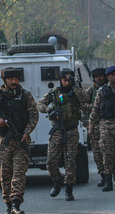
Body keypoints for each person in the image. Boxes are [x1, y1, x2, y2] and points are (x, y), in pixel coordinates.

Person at [0, 67, 39, 214]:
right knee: (5, 174)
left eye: (16, 78)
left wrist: (27, 132)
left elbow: (34, 115)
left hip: (21, 139)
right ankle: (8, 206)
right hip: (4, 141)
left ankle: (16, 204)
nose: (14, 82)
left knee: (19, 173)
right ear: (4, 80)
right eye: (10, 79)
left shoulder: (25, 95)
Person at [38, 68, 84, 201]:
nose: (67, 82)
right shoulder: (54, 93)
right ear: (60, 80)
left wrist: (75, 86)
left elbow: (85, 100)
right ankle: (56, 181)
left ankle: (69, 189)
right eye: (65, 80)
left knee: (70, 162)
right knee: (51, 161)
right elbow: (40, 105)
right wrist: (49, 110)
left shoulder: (76, 93)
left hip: (72, 131)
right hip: (57, 131)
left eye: (69, 80)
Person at [84, 67, 115, 187]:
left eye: (100, 76)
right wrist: (96, 106)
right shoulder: (90, 91)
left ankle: (113, 168)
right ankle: (104, 176)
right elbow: (83, 105)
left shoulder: (109, 89)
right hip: (95, 126)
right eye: (96, 77)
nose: (99, 79)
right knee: (97, 153)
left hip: (108, 124)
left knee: (110, 151)